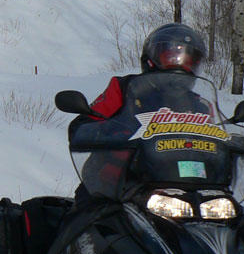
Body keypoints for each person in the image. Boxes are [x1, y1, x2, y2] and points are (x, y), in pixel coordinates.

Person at [70, 23, 208, 205]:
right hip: (116, 186)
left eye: (189, 60)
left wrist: (228, 145)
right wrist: (107, 133)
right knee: (86, 218)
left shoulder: (199, 106)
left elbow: (210, 142)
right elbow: (83, 125)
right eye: (171, 55)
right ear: (153, 58)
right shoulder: (125, 89)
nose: (181, 63)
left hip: (178, 190)